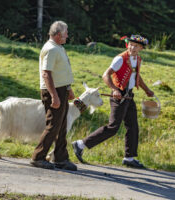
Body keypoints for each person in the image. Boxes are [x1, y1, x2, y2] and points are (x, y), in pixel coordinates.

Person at [72, 35, 154, 168]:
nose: (133, 47)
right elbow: (106, 75)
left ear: (141, 48)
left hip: (129, 96)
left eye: (136, 46)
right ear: (128, 45)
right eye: (131, 44)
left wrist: (147, 90)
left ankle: (129, 157)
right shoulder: (120, 59)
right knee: (113, 127)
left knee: (133, 126)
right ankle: (80, 144)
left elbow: (136, 77)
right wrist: (114, 90)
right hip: (118, 96)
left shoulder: (138, 59)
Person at [30, 21, 77, 171]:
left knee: (61, 125)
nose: (67, 36)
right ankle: (38, 157)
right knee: (53, 125)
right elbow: (46, 73)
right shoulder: (51, 49)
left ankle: (61, 158)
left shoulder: (59, 48)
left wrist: (68, 88)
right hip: (53, 91)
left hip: (61, 90)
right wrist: (54, 96)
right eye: (65, 33)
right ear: (58, 35)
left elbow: (61, 71)